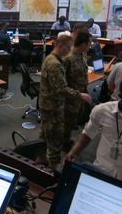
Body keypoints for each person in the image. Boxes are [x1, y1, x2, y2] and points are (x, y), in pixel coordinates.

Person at [39, 35, 92, 169]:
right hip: (53, 105)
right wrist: (80, 95)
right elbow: (61, 89)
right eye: (68, 47)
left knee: (45, 132)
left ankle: (39, 157)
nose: (69, 51)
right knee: (55, 136)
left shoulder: (52, 59)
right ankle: (54, 166)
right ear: (60, 45)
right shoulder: (54, 64)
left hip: (47, 103)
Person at [63, 32, 93, 152]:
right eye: (89, 43)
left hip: (80, 95)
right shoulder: (68, 57)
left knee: (73, 120)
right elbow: (61, 83)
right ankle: (63, 143)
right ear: (83, 44)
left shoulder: (82, 55)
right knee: (67, 121)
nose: (91, 46)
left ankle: (66, 138)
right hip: (70, 96)